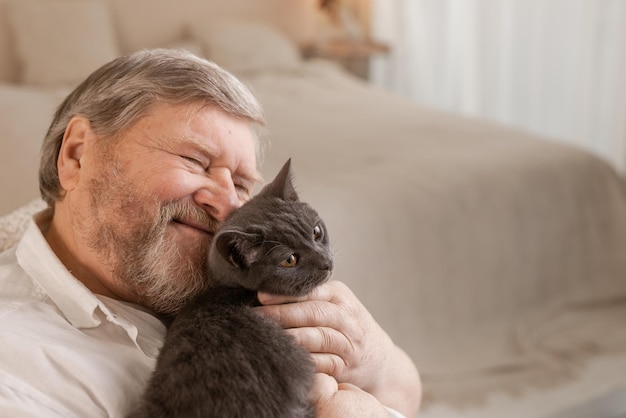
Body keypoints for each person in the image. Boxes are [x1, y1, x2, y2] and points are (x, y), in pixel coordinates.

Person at [0, 48, 421, 417]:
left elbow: (408, 394)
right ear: (76, 155)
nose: (226, 205)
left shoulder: (237, 285)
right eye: (195, 161)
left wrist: (377, 360)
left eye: (241, 184)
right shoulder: (18, 366)